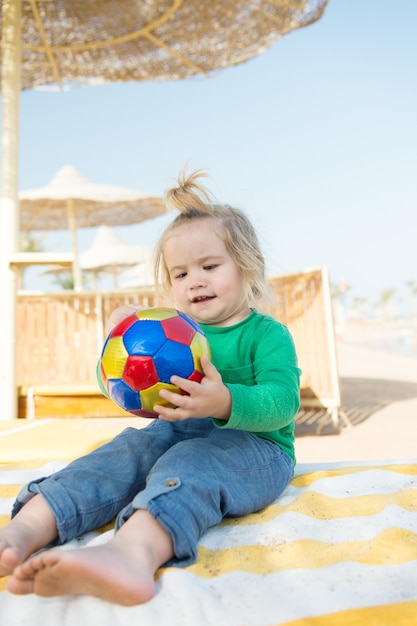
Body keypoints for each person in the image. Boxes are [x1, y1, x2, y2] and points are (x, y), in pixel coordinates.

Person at [0, 168, 301, 606]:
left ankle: (131, 555)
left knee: (190, 466)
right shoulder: (168, 329)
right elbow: (122, 392)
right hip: (175, 433)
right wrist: (115, 348)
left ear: (248, 265)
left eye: (210, 266)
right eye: (180, 274)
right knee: (121, 453)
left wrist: (225, 400)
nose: (194, 280)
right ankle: (27, 527)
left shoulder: (265, 334)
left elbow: (283, 403)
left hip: (256, 449)